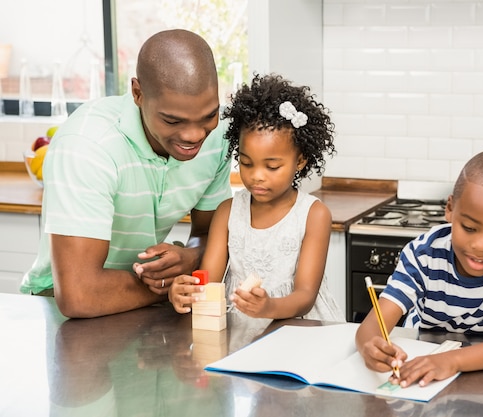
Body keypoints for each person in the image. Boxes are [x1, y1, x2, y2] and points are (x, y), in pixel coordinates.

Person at [20, 29, 232, 318]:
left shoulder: (218, 138)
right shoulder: (87, 145)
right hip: (58, 309)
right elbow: (78, 295)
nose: (195, 135)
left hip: (145, 303)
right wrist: (170, 284)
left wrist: (191, 257)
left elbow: (210, 234)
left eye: (209, 115)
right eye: (172, 120)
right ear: (138, 93)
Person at [356, 150, 483, 388]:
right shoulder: (424, 253)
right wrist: (370, 346)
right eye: (468, 228)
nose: (481, 246)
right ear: (450, 208)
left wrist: (451, 361)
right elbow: (373, 326)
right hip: (423, 376)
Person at [169, 73, 344, 322]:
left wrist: (268, 309)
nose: (256, 177)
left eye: (272, 167)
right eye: (247, 163)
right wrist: (185, 292)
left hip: (297, 331)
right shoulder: (227, 212)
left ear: (300, 161)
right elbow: (209, 281)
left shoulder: (313, 215)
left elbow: (305, 295)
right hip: (239, 329)